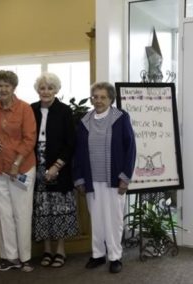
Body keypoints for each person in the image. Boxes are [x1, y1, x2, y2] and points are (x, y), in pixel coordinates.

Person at [73, 82, 136, 274]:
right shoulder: (84, 121)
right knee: (97, 219)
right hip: (92, 179)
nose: (98, 100)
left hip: (114, 179)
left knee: (114, 220)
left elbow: (130, 147)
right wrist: (80, 179)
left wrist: (125, 177)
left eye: (103, 97)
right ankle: (98, 254)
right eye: (95, 97)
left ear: (110, 99)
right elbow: (78, 152)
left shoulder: (120, 118)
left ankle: (115, 256)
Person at [0, 70, 37, 272]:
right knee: (4, 214)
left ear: (14, 87)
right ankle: (10, 257)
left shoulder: (24, 108)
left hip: (21, 167)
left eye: (7, 85)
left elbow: (29, 139)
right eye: (0, 86)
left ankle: (25, 258)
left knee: (22, 213)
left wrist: (17, 163)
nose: (3, 89)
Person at [30, 72, 79, 268]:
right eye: (42, 88)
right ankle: (47, 250)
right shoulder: (31, 109)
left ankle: (60, 251)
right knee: (42, 209)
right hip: (35, 165)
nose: (46, 91)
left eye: (50, 88)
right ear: (38, 90)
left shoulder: (65, 111)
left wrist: (57, 166)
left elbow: (71, 142)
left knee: (59, 210)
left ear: (56, 90)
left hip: (59, 166)